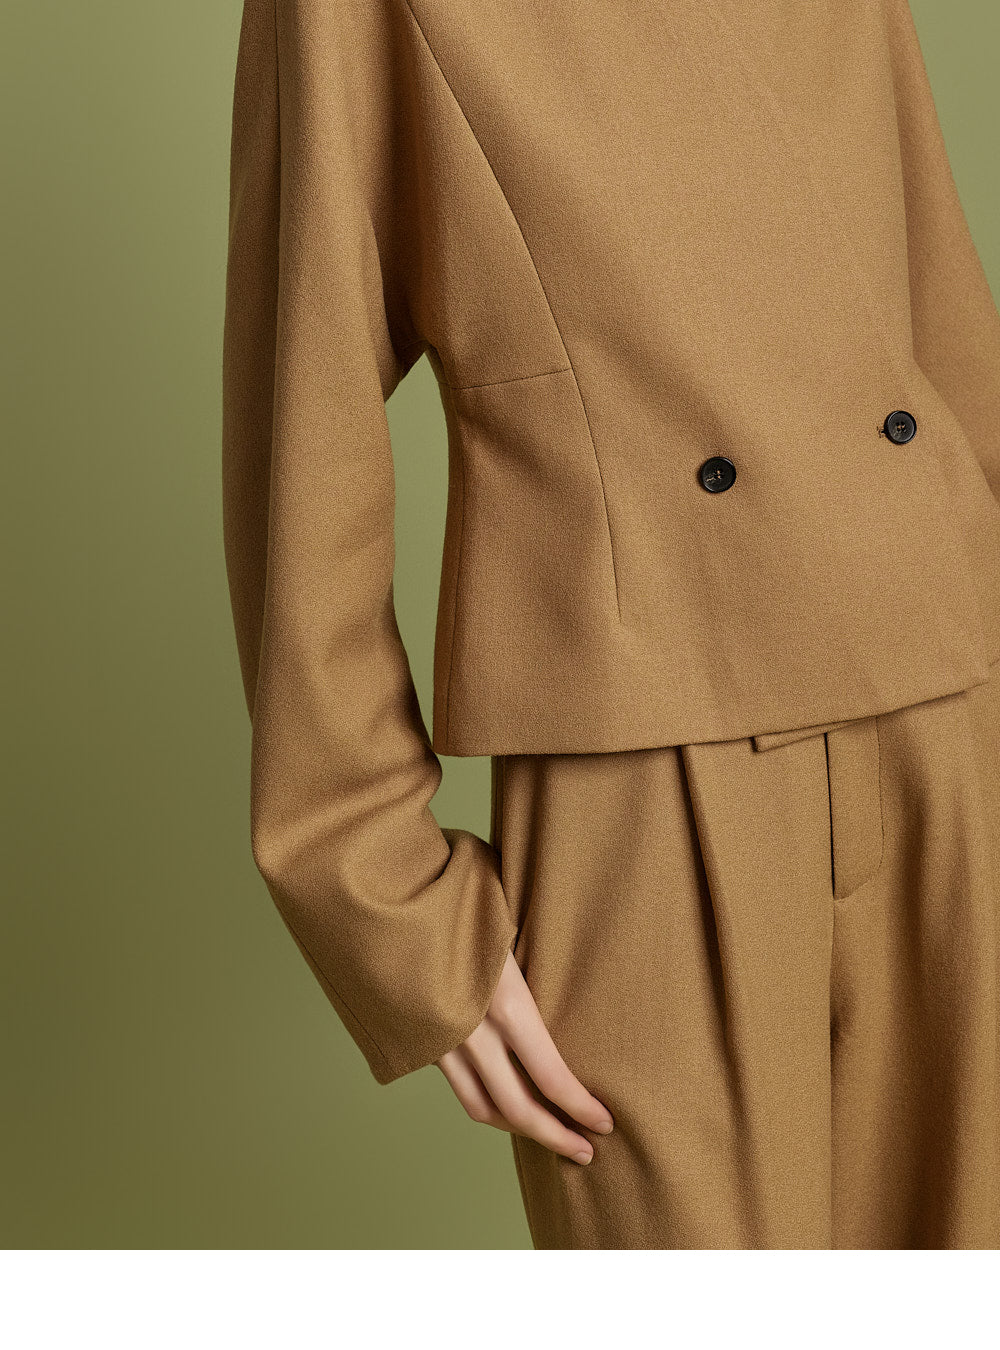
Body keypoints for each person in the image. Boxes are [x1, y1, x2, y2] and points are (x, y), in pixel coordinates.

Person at [221, 0, 1000, 1249]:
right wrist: (373, 884)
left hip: (954, 712)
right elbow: (302, 423)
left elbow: (934, 304)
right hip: (643, 765)